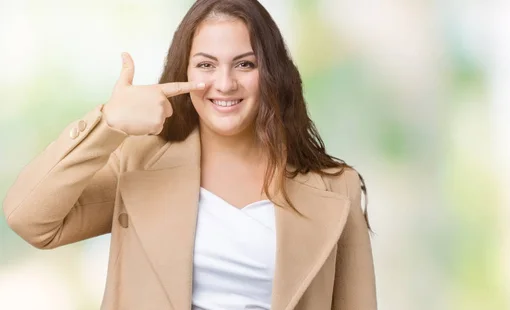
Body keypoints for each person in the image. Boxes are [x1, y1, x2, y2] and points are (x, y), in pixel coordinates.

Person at [2, 0, 376, 309]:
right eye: (206, 65)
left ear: (273, 72)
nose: (224, 83)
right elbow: (29, 219)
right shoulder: (139, 165)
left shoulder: (336, 188)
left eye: (245, 64)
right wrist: (108, 124)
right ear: (184, 70)